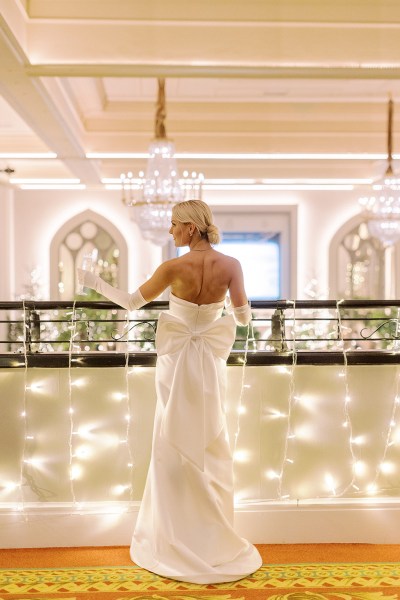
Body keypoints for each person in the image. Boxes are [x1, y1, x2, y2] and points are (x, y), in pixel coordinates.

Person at [77, 199, 262, 584]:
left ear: (191, 228)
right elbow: (243, 318)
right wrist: (224, 311)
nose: (170, 230)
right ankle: (212, 538)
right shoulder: (231, 266)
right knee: (211, 437)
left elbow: (130, 302)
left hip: (176, 361)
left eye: (174, 224)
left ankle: (174, 534)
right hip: (209, 361)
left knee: (171, 438)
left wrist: (92, 281)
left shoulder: (172, 267)